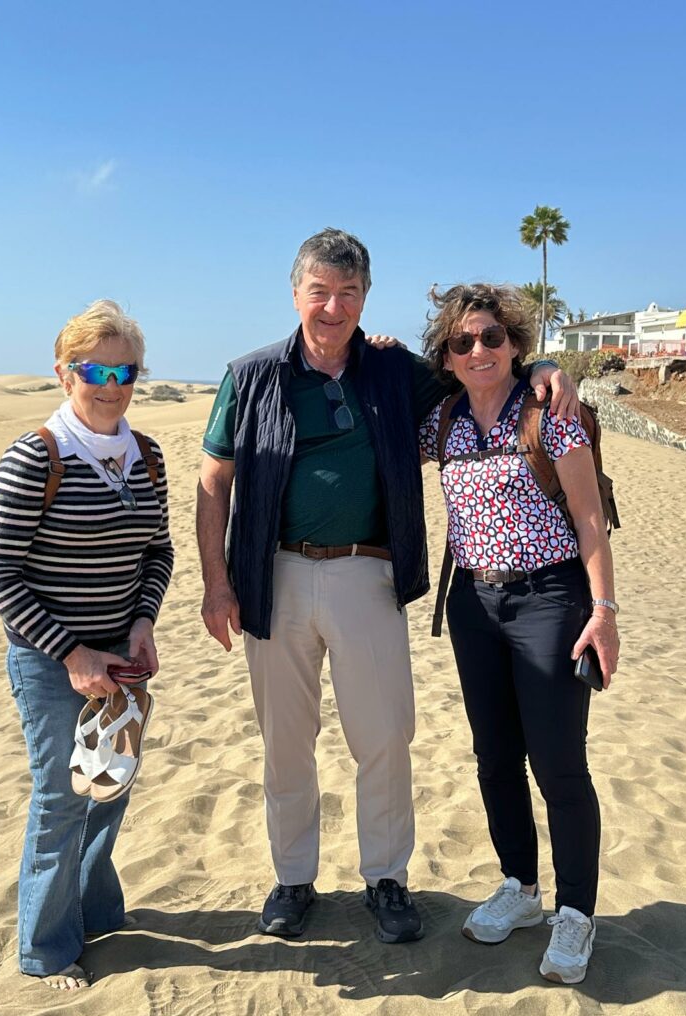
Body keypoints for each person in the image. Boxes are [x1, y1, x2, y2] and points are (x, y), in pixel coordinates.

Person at [196, 229, 576, 944]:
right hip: (271, 576)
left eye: (348, 293)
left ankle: (387, 879)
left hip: (367, 574)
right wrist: (218, 584)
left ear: (365, 297)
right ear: (296, 293)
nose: (333, 307)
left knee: (384, 738)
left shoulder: (395, 369)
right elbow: (215, 479)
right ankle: (293, 879)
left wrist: (547, 364)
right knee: (286, 742)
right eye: (320, 292)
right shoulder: (249, 376)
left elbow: (482, 369)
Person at [418, 283, 619, 983]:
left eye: (491, 337)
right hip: (473, 604)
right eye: (462, 341)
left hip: (550, 600)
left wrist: (603, 612)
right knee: (495, 757)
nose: (478, 350)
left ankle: (576, 913)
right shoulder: (441, 422)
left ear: (514, 344)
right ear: (446, 354)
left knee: (558, 764)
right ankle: (522, 888)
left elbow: (589, 520)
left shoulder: (548, 415)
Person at [0, 300, 174, 989]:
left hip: (122, 654)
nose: (112, 384)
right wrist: (72, 654)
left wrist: (143, 622)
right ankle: (46, 949)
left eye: (126, 370)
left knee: (110, 786)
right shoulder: (38, 455)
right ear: (65, 373)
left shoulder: (147, 456)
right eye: (95, 369)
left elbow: (158, 551)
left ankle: (96, 910)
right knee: (62, 797)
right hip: (50, 659)